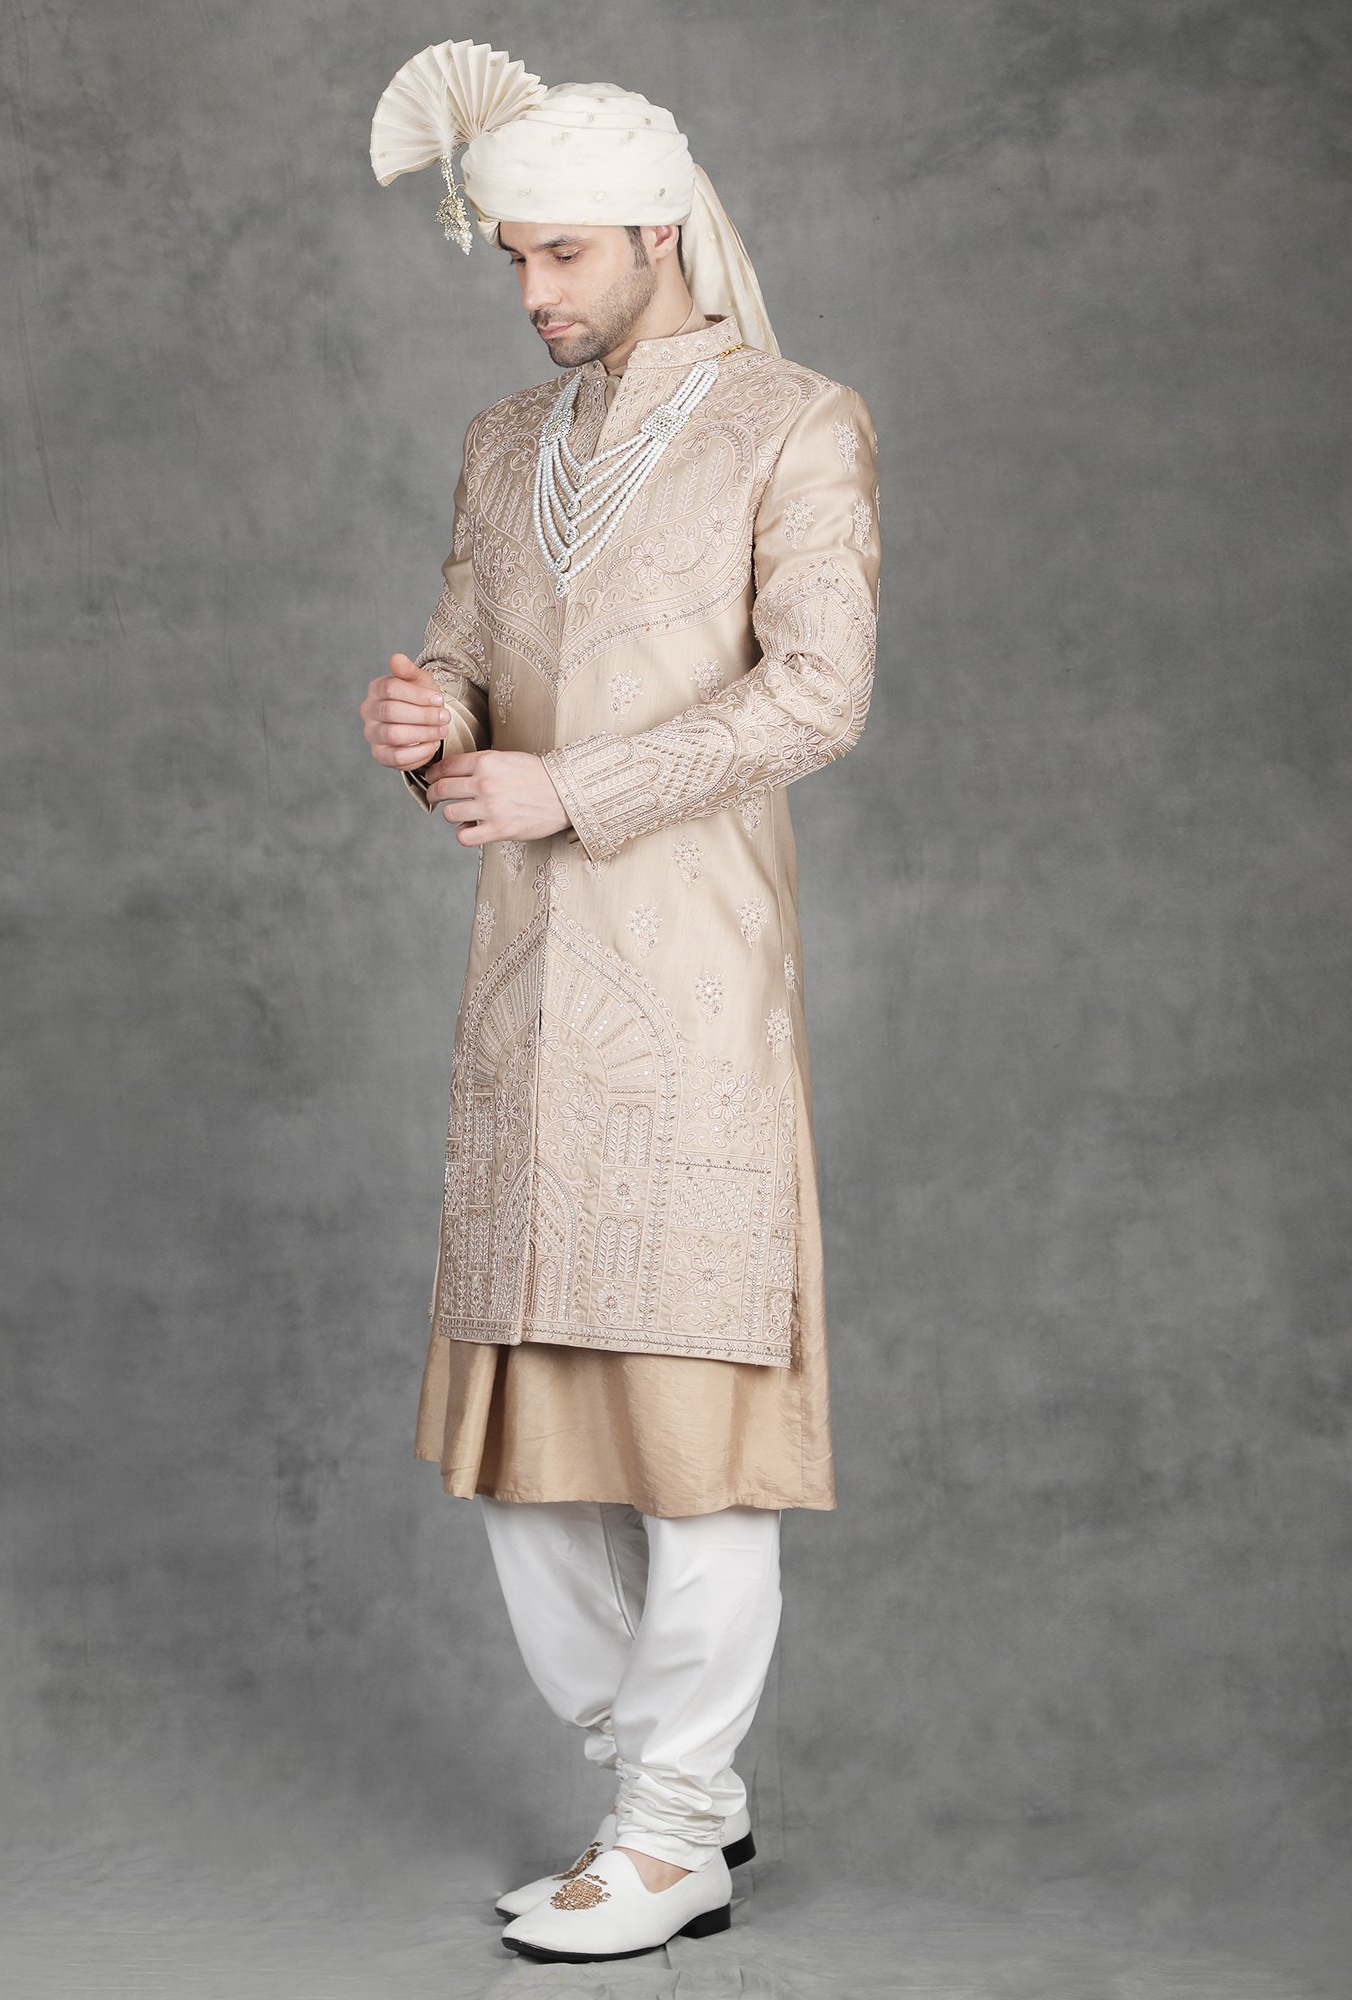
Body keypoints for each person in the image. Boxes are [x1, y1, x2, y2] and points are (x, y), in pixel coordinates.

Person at [363, 41, 881, 1965]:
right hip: (526, 995)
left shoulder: (793, 424)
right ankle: (678, 1792)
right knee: (523, 1444)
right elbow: (471, 670)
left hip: (691, 987)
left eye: (562, 253)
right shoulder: (508, 442)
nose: (533, 291)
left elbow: (817, 693)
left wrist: (568, 786)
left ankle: (665, 1830)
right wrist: (425, 725)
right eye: (512, 257)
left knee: (692, 1432)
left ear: (659, 231)